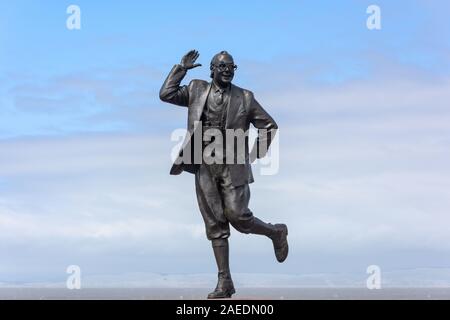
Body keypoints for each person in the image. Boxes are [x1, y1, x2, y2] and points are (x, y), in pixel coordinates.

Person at [159, 50, 288, 299]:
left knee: (239, 217)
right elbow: (166, 94)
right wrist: (181, 68)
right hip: (204, 163)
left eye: (231, 67)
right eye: (222, 66)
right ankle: (224, 282)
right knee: (215, 224)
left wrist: (254, 153)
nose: (227, 70)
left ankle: (276, 232)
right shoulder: (197, 89)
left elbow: (269, 125)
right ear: (212, 69)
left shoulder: (245, 97)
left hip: (233, 165)